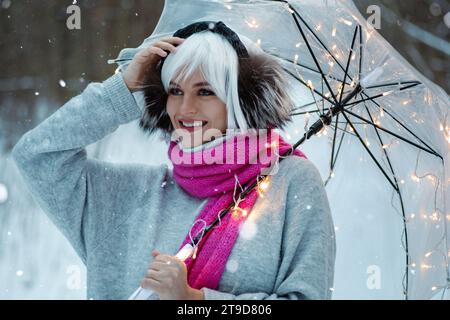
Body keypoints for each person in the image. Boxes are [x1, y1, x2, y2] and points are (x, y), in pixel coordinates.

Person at [12, 21, 336, 300]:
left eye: (205, 92)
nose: (185, 109)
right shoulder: (126, 196)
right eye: (175, 91)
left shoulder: (291, 183)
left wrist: (193, 299)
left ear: (239, 101)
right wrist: (124, 88)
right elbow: (37, 155)